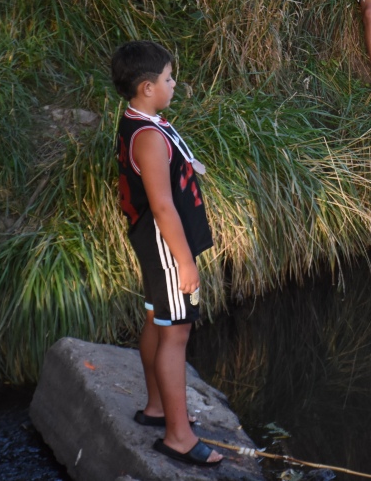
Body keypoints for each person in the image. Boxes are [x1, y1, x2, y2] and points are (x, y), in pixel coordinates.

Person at [111, 41, 223, 467]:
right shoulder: (150, 140)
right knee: (176, 331)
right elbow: (161, 206)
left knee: (156, 319)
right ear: (146, 87)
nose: (174, 84)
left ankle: (157, 408)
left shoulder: (140, 123)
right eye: (168, 78)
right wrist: (185, 262)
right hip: (165, 244)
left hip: (151, 240)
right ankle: (178, 436)